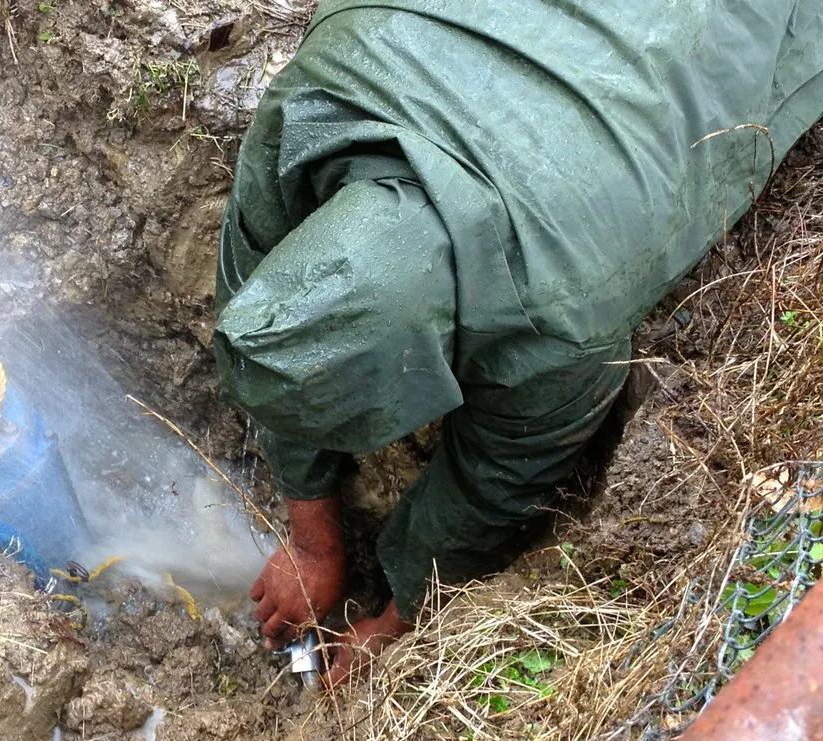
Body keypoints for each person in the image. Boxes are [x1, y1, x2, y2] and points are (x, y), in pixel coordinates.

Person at [212, 0, 823, 685]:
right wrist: (314, 544)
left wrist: (395, 619)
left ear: (432, 366)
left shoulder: (560, 311)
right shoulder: (312, 101)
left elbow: (499, 478)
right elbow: (256, 287)